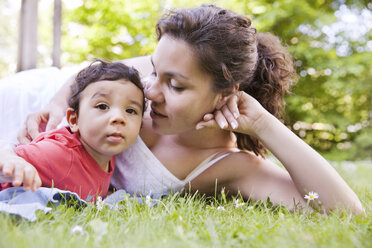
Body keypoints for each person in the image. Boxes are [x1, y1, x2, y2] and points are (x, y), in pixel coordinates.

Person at [1, 5, 364, 213]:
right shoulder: (161, 69)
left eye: (175, 85)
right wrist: (53, 104)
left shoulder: (227, 165)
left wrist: (265, 126)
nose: (149, 92)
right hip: (31, 106)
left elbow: (343, 211)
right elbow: (90, 75)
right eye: (154, 71)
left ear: (226, 94)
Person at [0, 60, 145, 201]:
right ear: (74, 120)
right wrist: (9, 157)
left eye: (131, 110)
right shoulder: (59, 154)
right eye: (102, 106)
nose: (119, 118)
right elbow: (7, 158)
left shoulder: (107, 153)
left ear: (140, 126)